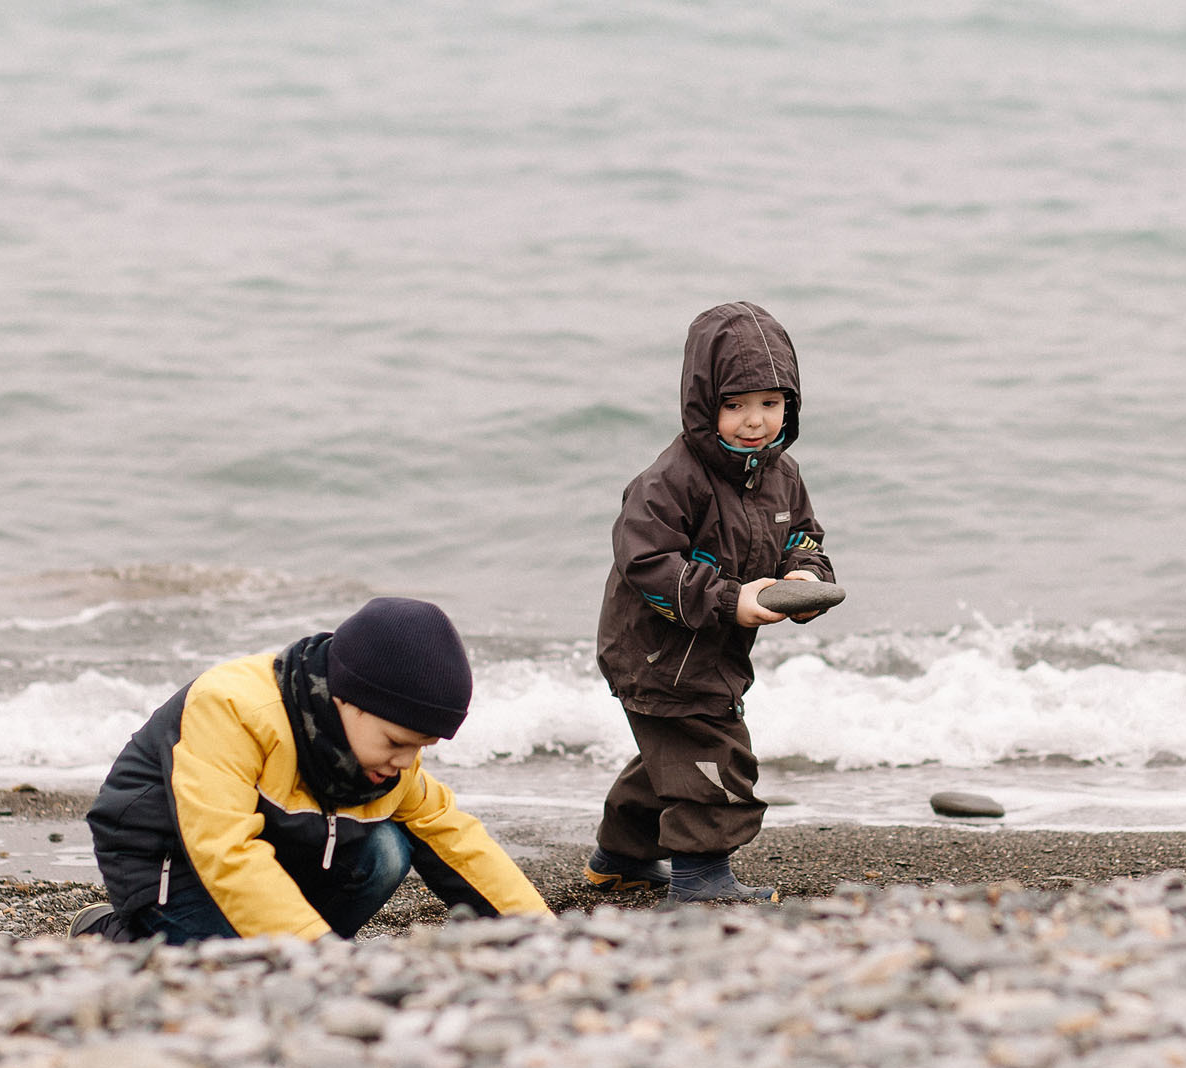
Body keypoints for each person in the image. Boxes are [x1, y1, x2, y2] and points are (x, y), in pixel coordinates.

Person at [72, 596, 550, 943]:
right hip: (167, 853)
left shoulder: (384, 757)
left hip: (275, 840)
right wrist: (312, 950)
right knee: (222, 976)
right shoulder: (234, 707)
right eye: (397, 743)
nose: (407, 762)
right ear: (347, 700)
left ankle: (294, 939)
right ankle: (108, 933)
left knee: (385, 850)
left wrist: (540, 932)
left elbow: (456, 839)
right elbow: (224, 850)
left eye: (422, 747)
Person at [586, 301, 836, 904]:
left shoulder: (782, 474)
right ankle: (701, 878)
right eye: (735, 405)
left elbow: (802, 534)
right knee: (714, 755)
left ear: (790, 405)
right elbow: (645, 562)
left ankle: (619, 858)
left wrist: (803, 573)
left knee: (664, 762)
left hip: (711, 653)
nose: (755, 421)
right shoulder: (672, 479)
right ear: (704, 404)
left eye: (770, 404)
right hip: (656, 652)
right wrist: (729, 601)